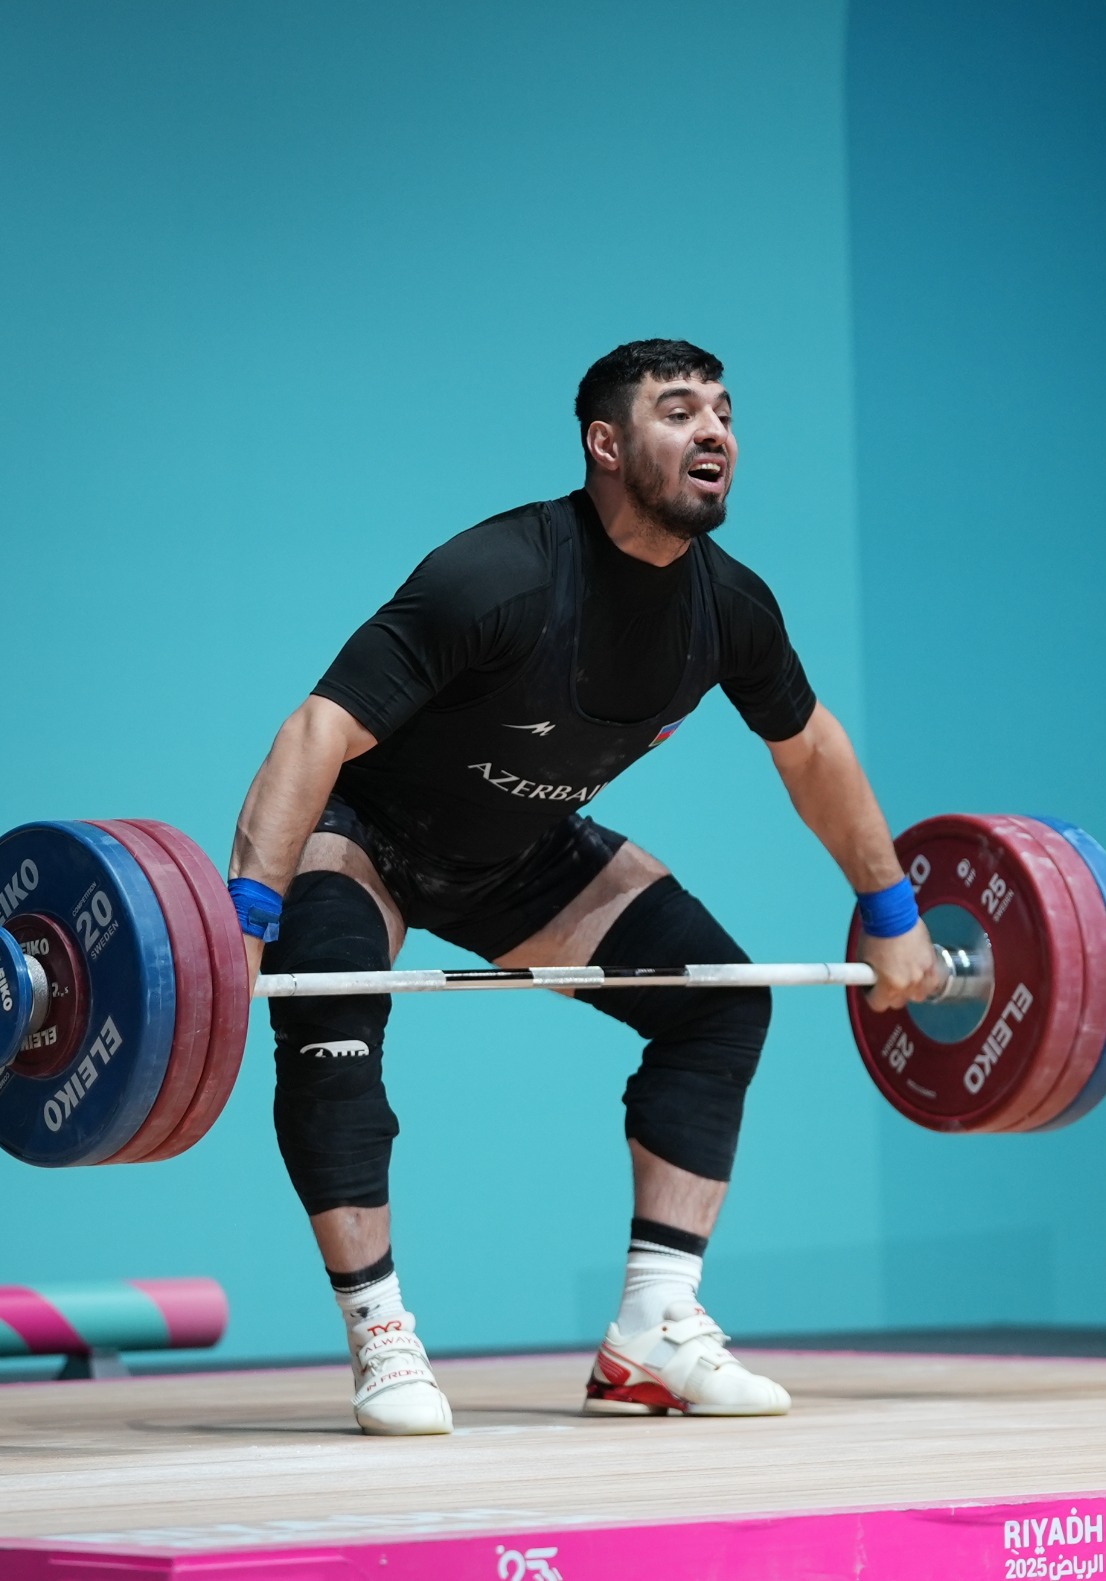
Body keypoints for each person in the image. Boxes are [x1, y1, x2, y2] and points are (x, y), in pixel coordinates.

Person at [225, 339, 942, 1435]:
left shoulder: (729, 607)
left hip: (520, 851)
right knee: (326, 1013)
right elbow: (317, 731)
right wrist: (245, 922)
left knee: (718, 1002)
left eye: (723, 412)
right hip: (367, 833)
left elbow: (809, 751)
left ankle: (651, 1331)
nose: (714, 431)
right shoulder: (497, 574)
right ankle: (380, 1330)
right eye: (677, 410)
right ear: (606, 444)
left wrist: (893, 913)